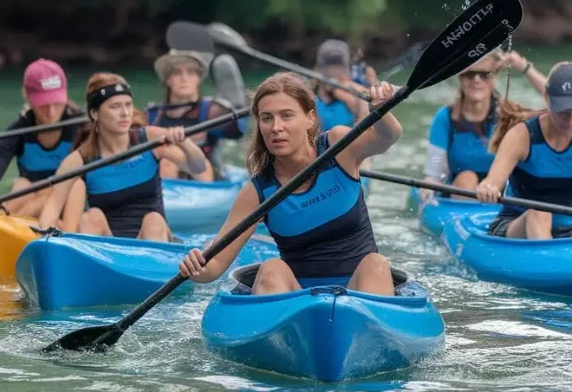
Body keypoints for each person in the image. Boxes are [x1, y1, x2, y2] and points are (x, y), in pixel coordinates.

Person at [178, 73, 401, 295]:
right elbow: (214, 266)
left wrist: (381, 111)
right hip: (295, 302)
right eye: (267, 118)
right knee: (271, 268)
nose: (276, 127)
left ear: (310, 118)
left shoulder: (338, 146)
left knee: (377, 264)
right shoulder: (257, 193)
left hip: (362, 293)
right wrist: (198, 266)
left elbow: (387, 138)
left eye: (286, 116)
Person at [37, 72, 208, 241]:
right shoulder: (80, 159)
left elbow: (198, 168)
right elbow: (52, 206)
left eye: (128, 105)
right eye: (115, 106)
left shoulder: (149, 139)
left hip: (155, 244)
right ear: (95, 113)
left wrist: (184, 142)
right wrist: (44, 238)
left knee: (153, 220)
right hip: (110, 251)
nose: (125, 113)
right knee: (91, 217)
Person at [474, 62, 572, 239]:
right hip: (518, 224)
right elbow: (493, 181)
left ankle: (561, 258)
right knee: (539, 214)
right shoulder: (521, 135)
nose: (570, 119)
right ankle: (550, 262)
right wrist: (487, 188)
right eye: (563, 110)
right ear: (547, 98)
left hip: (570, 226)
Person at [422, 49, 548, 200]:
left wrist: (523, 66)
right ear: (460, 77)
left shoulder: (509, 114)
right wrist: (427, 189)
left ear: (494, 78)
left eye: (484, 74)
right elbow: (433, 174)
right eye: (470, 74)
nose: (477, 79)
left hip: (499, 192)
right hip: (459, 193)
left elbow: (555, 101)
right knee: (467, 178)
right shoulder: (445, 118)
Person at [0, 59, 85, 226]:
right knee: (22, 184)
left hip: (72, 206)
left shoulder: (82, 126)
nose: (52, 112)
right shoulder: (18, 131)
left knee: (76, 184)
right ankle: (11, 224)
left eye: (57, 102)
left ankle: (10, 219)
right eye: (44, 104)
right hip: (36, 205)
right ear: (27, 96)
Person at [146, 49, 247, 182]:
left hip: (206, 181)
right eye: (177, 73)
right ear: (168, 80)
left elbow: (238, 133)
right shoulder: (152, 115)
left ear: (198, 79)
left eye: (191, 72)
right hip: (166, 181)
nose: (184, 78)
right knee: (166, 161)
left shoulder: (213, 111)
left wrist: (239, 108)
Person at [313, 39, 370, 131]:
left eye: (340, 69)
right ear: (319, 70)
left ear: (348, 71)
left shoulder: (360, 96)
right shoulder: (310, 99)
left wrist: (353, 102)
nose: (334, 73)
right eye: (329, 68)